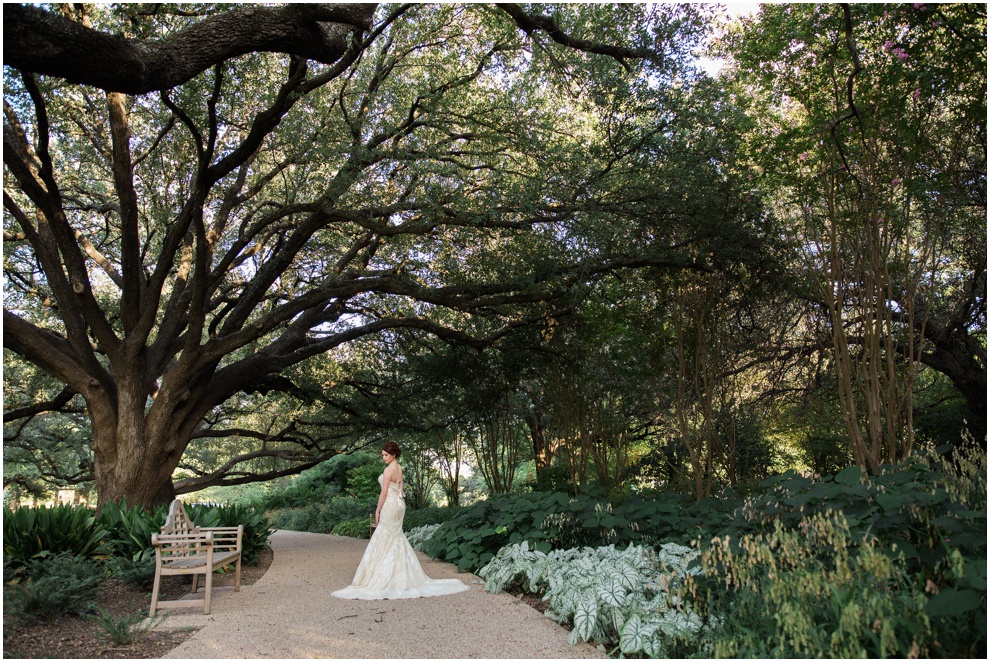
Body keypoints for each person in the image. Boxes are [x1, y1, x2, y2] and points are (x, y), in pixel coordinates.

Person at [331, 442, 469, 600]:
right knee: (395, 536)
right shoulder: (399, 468)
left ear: (393, 454)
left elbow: (383, 493)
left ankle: (385, 576)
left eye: (386, 455)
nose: (383, 458)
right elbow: (401, 490)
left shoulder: (389, 469)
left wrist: (377, 510)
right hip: (399, 504)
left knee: (385, 535)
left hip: (390, 504)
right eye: (382, 455)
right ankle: (399, 574)